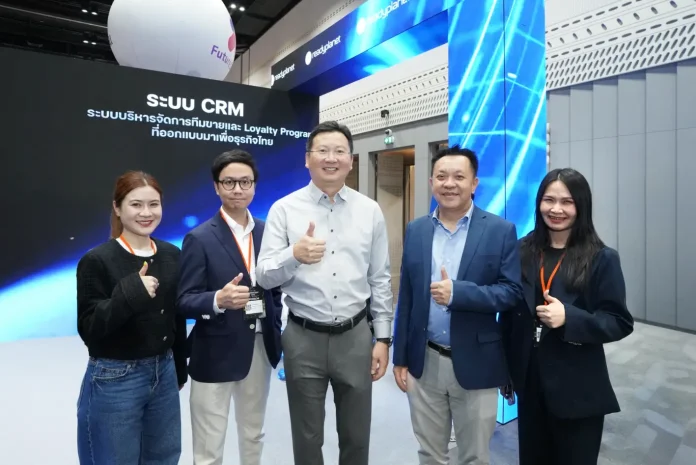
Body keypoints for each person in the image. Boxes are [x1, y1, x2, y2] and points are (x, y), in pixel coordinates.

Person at [256, 120, 392, 465]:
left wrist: (383, 338)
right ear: (307, 159)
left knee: (356, 435)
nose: (331, 158)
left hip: (355, 335)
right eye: (323, 151)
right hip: (303, 336)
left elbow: (380, 278)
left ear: (351, 160)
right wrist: (294, 255)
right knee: (307, 436)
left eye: (339, 151)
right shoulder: (284, 209)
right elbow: (264, 276)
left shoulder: (370, 210)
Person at [392, 145, 523, 465]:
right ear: (431, 182)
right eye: (441, 176)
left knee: (474, 456)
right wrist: (401, 357)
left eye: (459, 177)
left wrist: (459, 294)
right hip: (425, 361)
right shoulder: (417, 230)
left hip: (478, 363)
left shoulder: (500, 230)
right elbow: (407, 297)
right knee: (430, 454)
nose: (449, 183)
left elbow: (511, 293)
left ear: (474, 183)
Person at [500, 168, 634, 465]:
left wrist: (569, 318)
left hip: (577, 390)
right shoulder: (522, 250)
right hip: (530, 385)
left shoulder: (601, 258)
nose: (556, 209)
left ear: (581, 206)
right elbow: (509, 316)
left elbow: (619, 321)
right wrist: (506, 370)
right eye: (549, 200)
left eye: (567, 202)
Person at [177, 150, 283, 465]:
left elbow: (275, 289)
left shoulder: (268, 233)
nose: (238, 189)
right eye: (229, 182)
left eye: (245, 182)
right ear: (216, 187)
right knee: (209, 445)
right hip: (214, 351)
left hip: (259, 347)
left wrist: (276, 326)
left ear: (254, 186)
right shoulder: (199, 238)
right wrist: (217, 300)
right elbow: (184, 300)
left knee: (254, 434)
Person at [76, 170, 188, 465]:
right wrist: (130, 294)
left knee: (164, 457)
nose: (146, 213)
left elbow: (175, 316)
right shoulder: (97, 260)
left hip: (164, 372)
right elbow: (90, 328)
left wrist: (179, 367)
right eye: (136, 204)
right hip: (115, 377)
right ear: (117, 208)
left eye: (153, 204)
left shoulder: (171, 254)